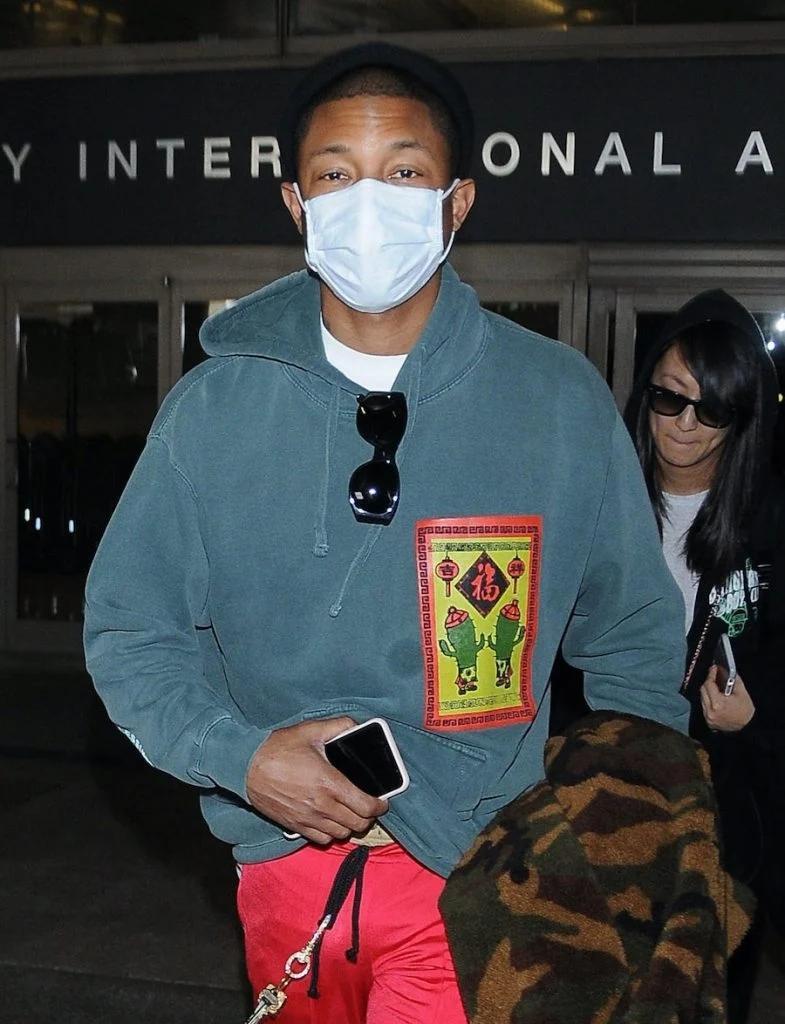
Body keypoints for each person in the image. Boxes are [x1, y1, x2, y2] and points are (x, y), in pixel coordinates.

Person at [84, 43, 688, 1024]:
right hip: (285, 875)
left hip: (484, 874)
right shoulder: (213, 411)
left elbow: (630, 640)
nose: (368, 202)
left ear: (456, 203)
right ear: (295, 205)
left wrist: (627, 841)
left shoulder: (553, 401)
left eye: (403, 172)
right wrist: (240, 757)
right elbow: (129, 631)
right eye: (335, 175)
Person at [624, 289, 785, 1023]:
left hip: (723, 831)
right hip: (609, 812)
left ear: (740, 419)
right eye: (669, 398)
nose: (684, 424)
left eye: (711, 409)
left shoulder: (769, 526)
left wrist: (756, 718)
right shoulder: (606, 501)